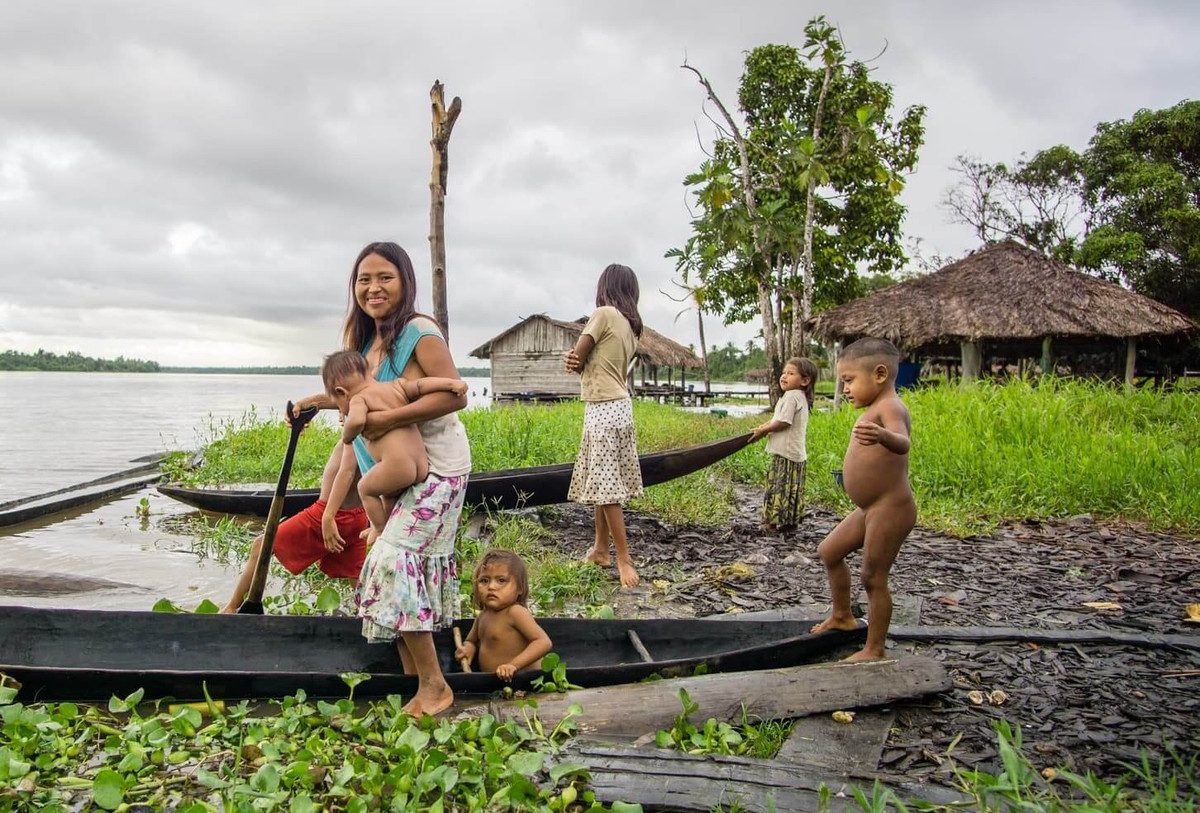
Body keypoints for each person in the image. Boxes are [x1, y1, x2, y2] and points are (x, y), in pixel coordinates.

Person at [293, 241, 471, 716]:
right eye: (364, 279)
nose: (373, 288)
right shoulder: (367, 342)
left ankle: (435, 687)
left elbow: (455, 395)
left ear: (405, 282)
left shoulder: (419, 332)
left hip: (438, 468)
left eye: (384, 277)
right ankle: (414, 671)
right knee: (398, 562)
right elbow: (360, 395)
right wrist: (312, 402)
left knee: (394, 560)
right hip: (397, 472)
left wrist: (390, 420)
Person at [810, 338, 916, 661]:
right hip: (869, 507)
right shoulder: (873, 409)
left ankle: (874, 648)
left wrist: (884, 435)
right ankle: (843, 616)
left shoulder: (891, 407)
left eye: (849, 380)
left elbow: (903, 441)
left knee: (873, 577)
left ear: (880, 374)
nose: (846, 389)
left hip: (890, 507)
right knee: (829, 552)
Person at [320, 349, 467, 547]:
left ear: (341, 392)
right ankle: (389, 524)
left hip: (397, 467)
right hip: (421, 465)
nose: (340, 409)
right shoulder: (396, 386)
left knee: (365, 489)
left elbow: (356, 421)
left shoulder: (359, 399)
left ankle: (379, 529)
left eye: (337, 404)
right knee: (388, 494)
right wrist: (451, 383)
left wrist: (347, 436)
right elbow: (421, 385)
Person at [564, 264, 644, 588]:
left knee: (608, 489)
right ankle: (600, 549)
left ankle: (624, 559)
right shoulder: (632, 326)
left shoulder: (603, 314)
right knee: (602, 481)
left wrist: (572, 359)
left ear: (605, 288)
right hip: (621, 406)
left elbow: (578, 356)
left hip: (602, 409)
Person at [220, 441, 368, 614]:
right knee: (355, 573)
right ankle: (368, 614)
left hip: (330, 513)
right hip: (358, 517)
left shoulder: (354, 430)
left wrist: (328, 516)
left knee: (262, 545)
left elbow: (347, 472)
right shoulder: (373, 432)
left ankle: (230, 608)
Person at [454, 549, 553, 681]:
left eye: (501, 580)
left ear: (520, 588)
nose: (491, 587)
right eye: (484, 581)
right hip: (494, 682)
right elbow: (471, 641)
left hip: (524, 681)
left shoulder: (515, 612)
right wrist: (468, 649)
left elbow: (543, 642)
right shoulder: (483, 616)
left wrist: (513, 665)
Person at [750, 357, 819, 533]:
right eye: (784, 372)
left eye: (790, 373)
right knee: (791, 488)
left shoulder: (791, 396)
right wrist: (764, 427)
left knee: (779, 486)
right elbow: (778, 419)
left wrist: (764, 431)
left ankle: (771, 523)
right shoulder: (798, 396)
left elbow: (784, 422)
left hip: (785, 453)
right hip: (795, 453)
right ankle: (790, 521)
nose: (784, 376)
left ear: (805, 381)